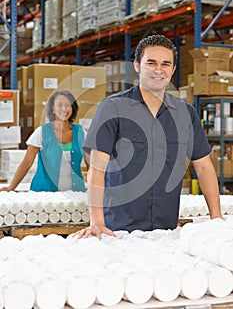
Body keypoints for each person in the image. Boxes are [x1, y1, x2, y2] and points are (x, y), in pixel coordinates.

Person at [77, 34, 223, 239]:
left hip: (166, 229)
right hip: (118, 228)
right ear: (137, 65)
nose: (158, 70)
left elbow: (203, 166)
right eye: (151, 62)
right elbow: (97, 169)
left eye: (165, 64)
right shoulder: (113, 107)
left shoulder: (185, 112)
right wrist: (97, 222)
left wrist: (215, 218)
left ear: (172, 70)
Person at [0, 90, 86, 192]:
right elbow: (27, 163)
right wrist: (11, 187)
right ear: (53, 108)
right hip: (44, 194)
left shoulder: (81, 133)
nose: (64, 109)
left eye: (68, 105)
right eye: (59, 105)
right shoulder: (42, 132)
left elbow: (91, 164)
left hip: (75, 195)